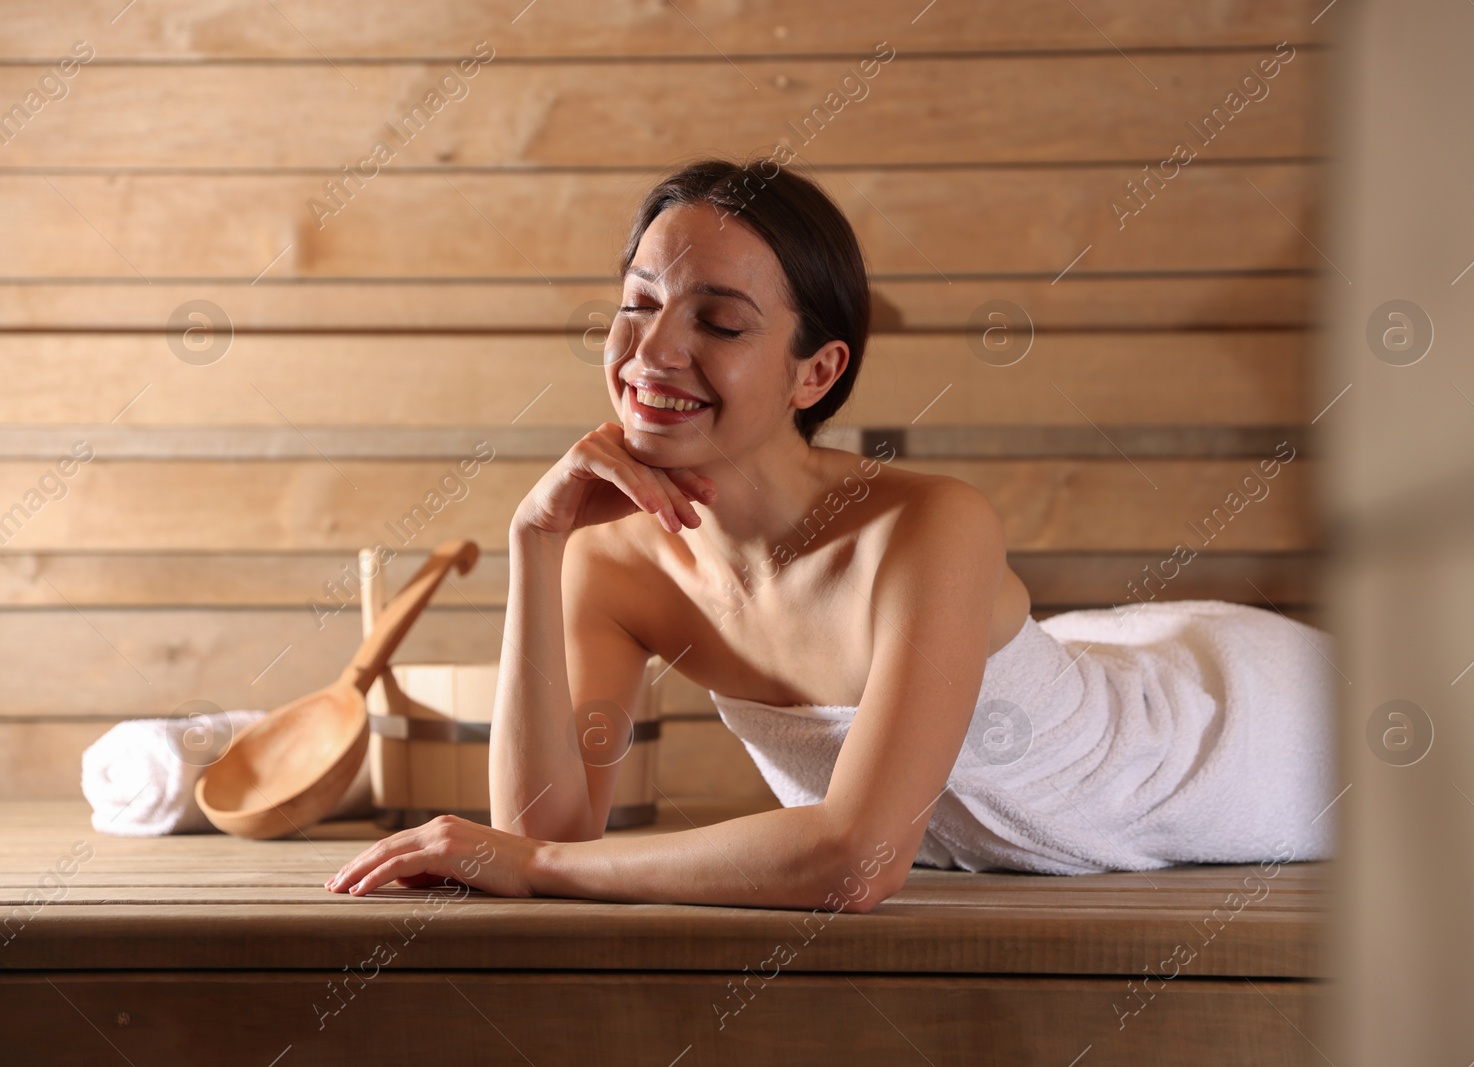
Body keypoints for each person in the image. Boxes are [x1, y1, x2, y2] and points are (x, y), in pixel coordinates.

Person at [327, 159, 1337, 910]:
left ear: (814, 373)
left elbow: (853, 861)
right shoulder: (612, 562)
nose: (654, 349)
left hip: (1231, 736)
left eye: (719, 324)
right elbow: (540, 832)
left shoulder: (927, 527)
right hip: (1078, 669)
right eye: (637, 304)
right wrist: (533, 541)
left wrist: (538, 865)